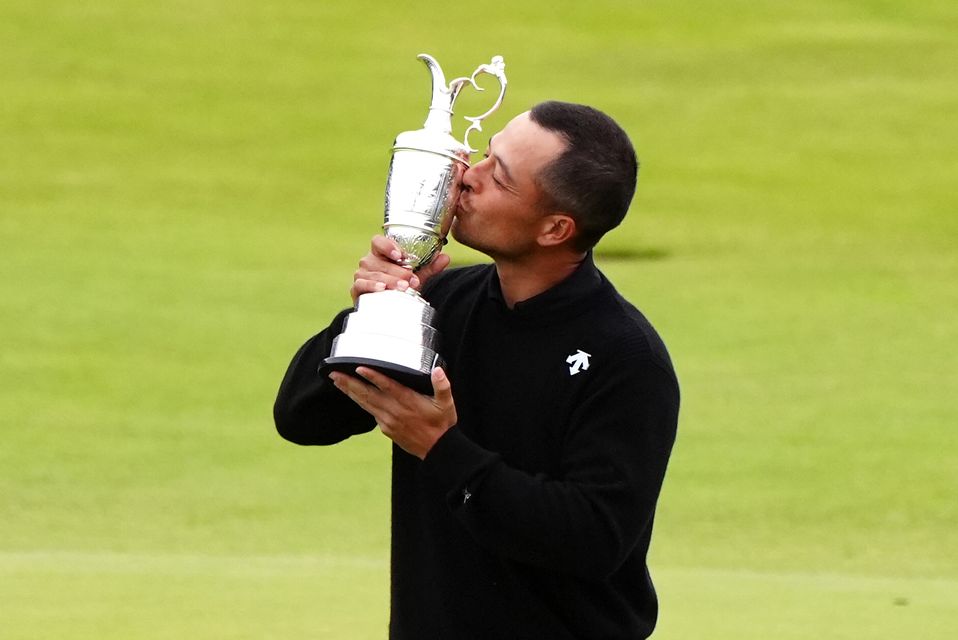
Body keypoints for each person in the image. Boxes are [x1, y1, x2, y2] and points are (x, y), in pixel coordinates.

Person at [274, 101, 680, 639]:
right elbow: (303, 419)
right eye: (486, 154)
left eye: (500, 177)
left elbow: (593, 539)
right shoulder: (444, 301)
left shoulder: (626, 360)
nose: (468, 176)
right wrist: (370, 312)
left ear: (556, 228)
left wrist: (442, 450)